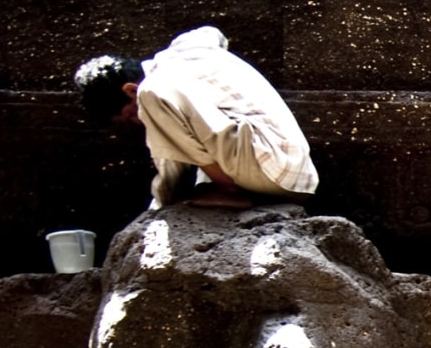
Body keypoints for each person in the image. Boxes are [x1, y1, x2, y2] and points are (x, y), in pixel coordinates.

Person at [75, 27, 318, 211]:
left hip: (271, 170)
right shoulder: (186, 49)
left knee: (152, 94)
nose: (138, 122)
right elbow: (212, 33)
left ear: (129, 90)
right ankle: (229, 185)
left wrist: (159, 208)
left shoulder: (154, 88)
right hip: (294, 173)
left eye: (130, 115)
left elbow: (171, 166)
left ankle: (229, 191)